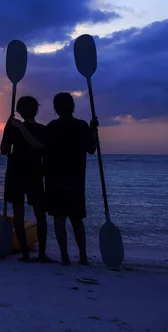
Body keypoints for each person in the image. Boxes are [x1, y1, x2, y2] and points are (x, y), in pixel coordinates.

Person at [43, 92, 98, 266]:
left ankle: (65, 256)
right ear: (72, 106)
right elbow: (92, 149)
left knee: (59, 219)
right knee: (76, 219)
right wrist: (93, 130)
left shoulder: (51, 127)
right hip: (76, 179)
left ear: (55, 109)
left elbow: (44, 151)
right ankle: (83, 256)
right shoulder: (82, 126)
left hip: (54, 178)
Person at [0, 95, 52, 263]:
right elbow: (5, 149)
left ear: (19, 111)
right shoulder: (40, 129)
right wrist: (8, 129)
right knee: (31, 214)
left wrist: (14, 128)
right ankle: (34, 253)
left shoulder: (23, 128)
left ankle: (31, 254)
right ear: (36, 110)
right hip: (27, 174)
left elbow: (37, 146)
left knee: (30, 214)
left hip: (26, 174)